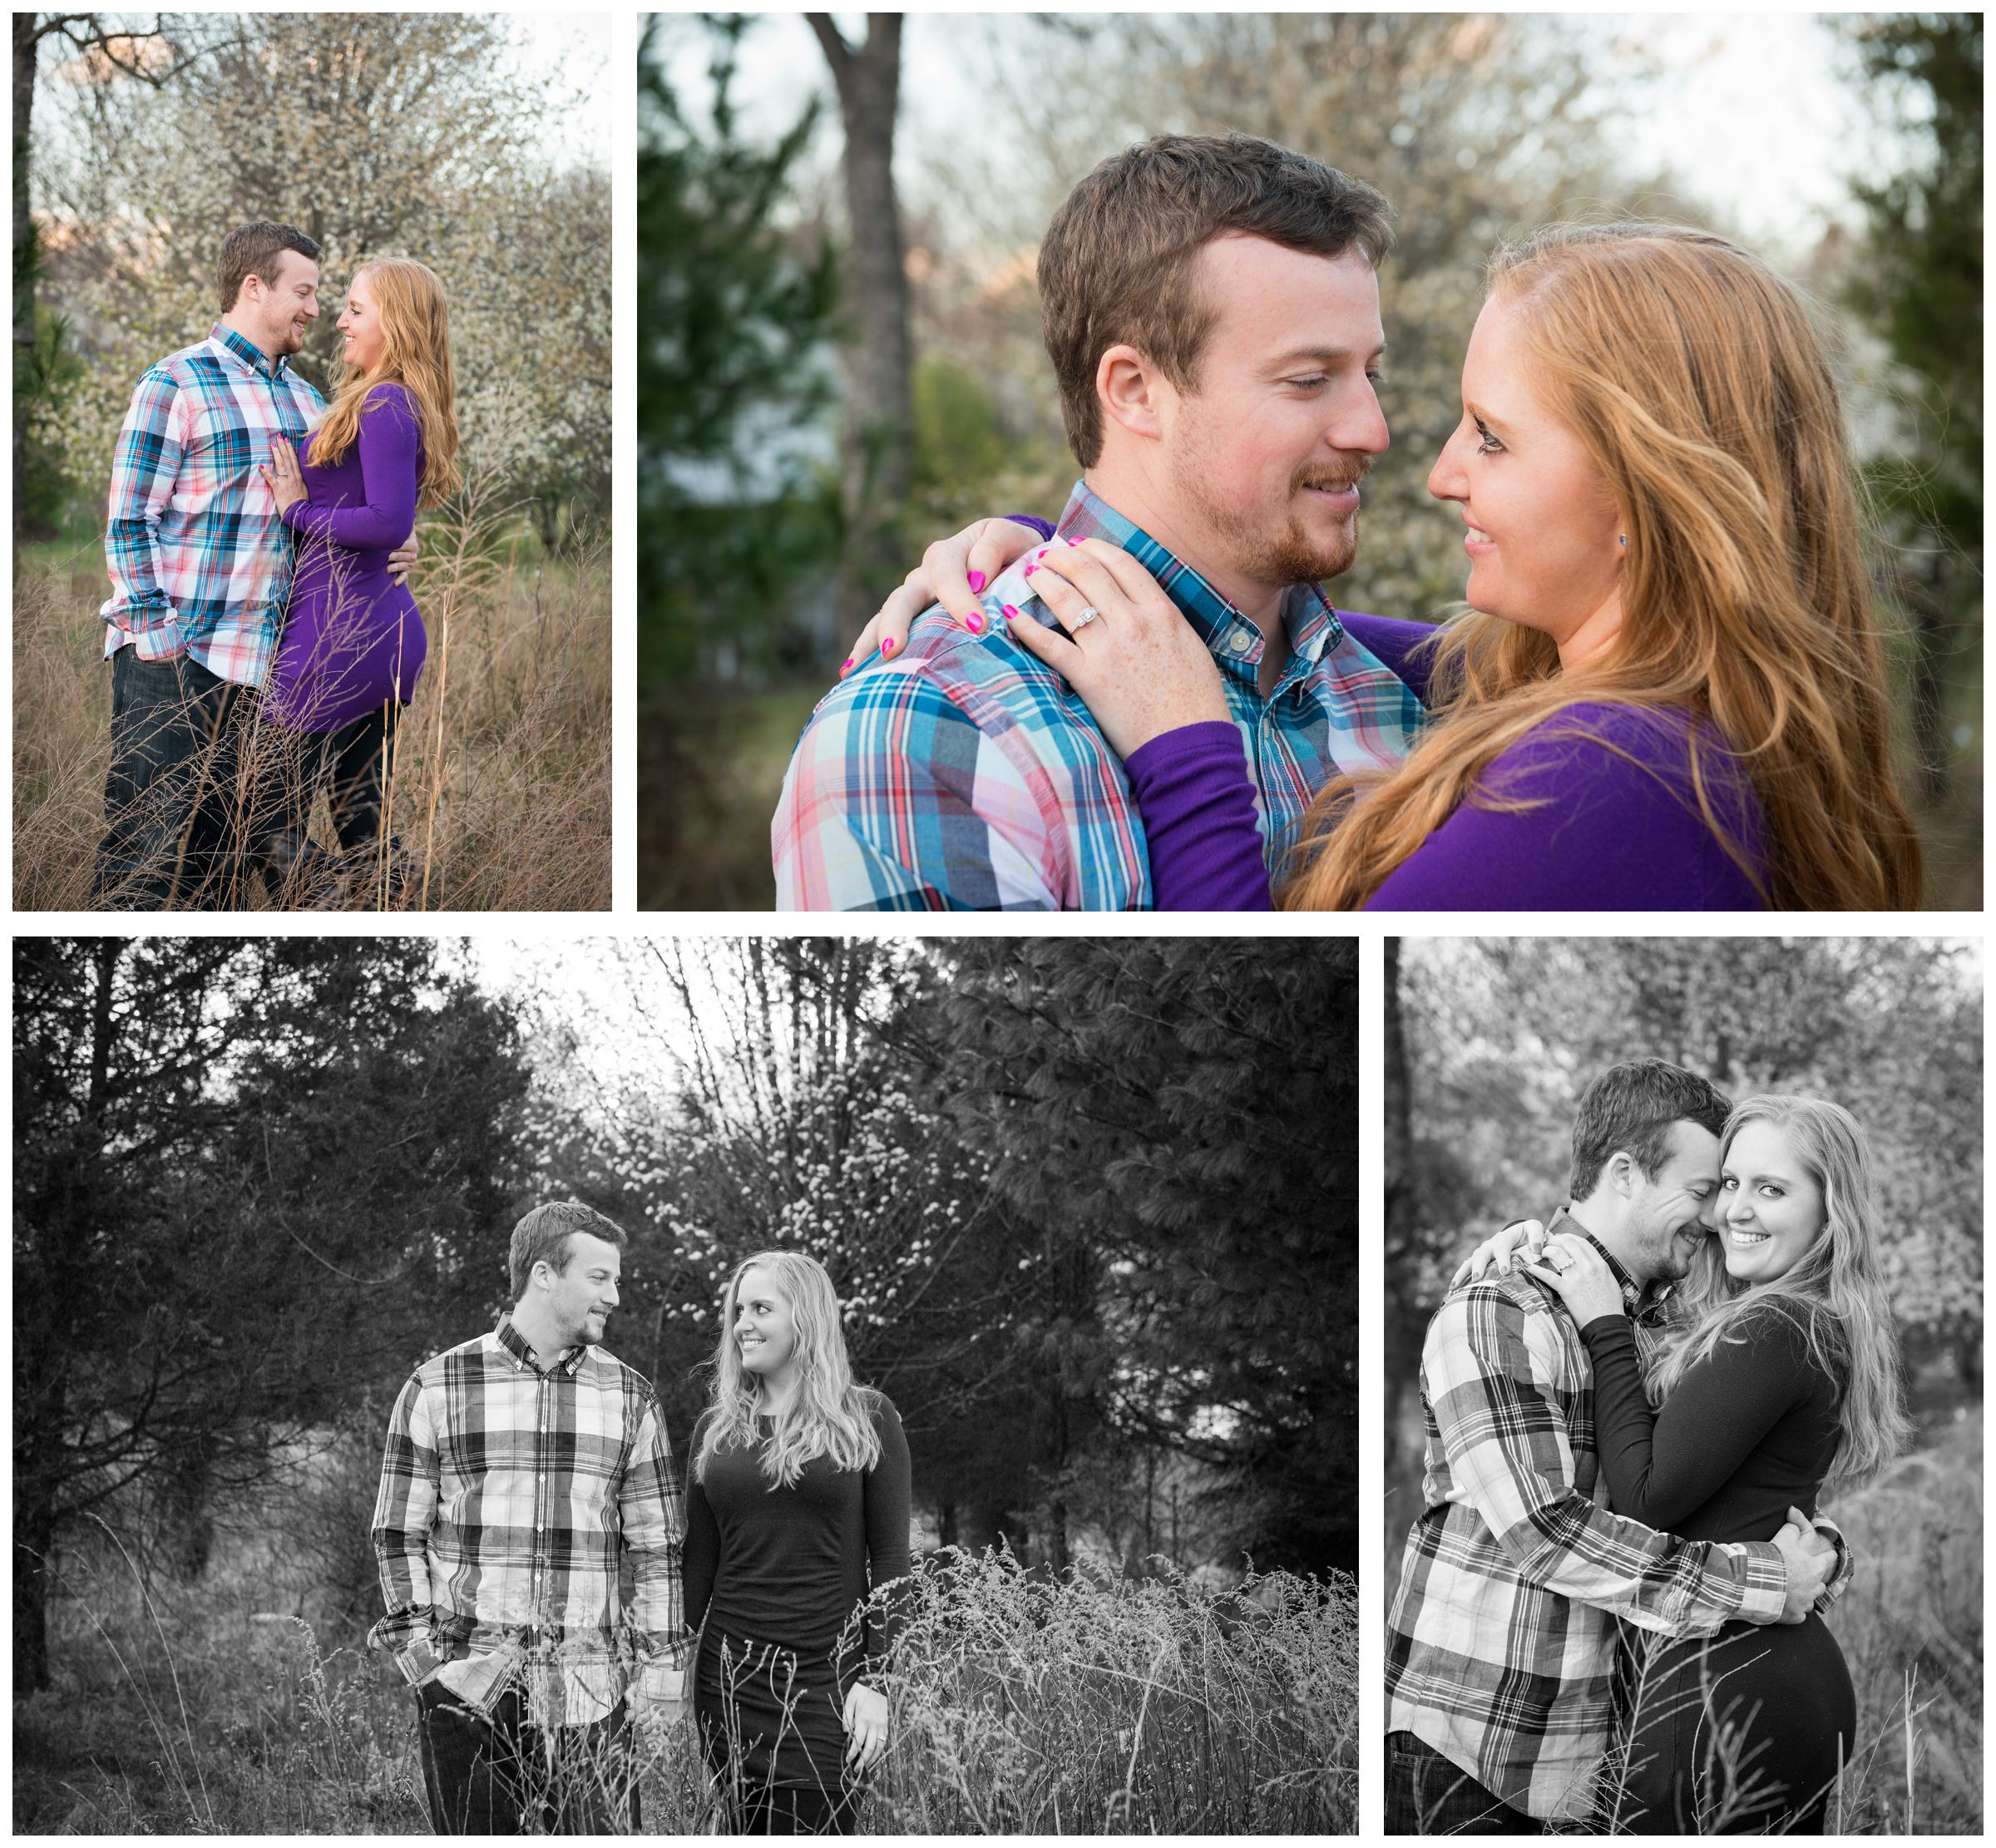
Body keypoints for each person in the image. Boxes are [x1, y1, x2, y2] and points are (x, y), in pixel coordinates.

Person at [852, 219, 1924, 911]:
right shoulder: (1621, 706)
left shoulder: (1610, 772)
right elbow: (1265, 625)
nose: (1436, 470)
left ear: (1645, 495)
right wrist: (1062, 557)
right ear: (1133, 389)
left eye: (1492, 438)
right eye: (1311, 376)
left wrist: (1187, 748)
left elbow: (1285, 1061)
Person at [772, 132, 1425, 910]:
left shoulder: (1410, 698)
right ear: (1134, 391)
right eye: (1310, 379)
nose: (1372, 430)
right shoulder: (931, 735)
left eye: (1370, 373)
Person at [1385, 1060, 1850, 1833]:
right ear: (1626, 1174)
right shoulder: (1500, 1310)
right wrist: (1766, 1581)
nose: (1715, 1217)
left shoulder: (1665, 1327)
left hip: (1603, 1750)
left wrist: (1821, 1548)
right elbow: (1548, 1533)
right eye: (1707, 1191)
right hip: (1478, 1746)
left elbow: (1718, 1491)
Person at [92, 221, 416, 910]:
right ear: (254, 287)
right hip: (175, 662)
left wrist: (394, 544)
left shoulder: (311, 404)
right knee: (141, 863)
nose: (315, 310)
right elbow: (128, 519)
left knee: (220, 869)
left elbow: (340, 519)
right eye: (303, 292)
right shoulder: (176, 382)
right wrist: (156, 639)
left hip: (264, 676)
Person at [369, 1202, 688, 1834]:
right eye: (600, 1278)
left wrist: (662, 1670)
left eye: (617, 1280)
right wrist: (428, 1665)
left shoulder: (631, 1398)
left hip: (590, 1699)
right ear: (543, 1274)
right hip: (467, 1694)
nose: (615, 1297)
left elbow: (658, 1548)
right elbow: (397, 1533)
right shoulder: (437, 1387)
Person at [684, 1252, 912, 1834]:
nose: (744, 1325)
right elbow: (700, 1563)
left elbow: (889, 1559)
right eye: (739, 1311)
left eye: (762, 1308)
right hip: (728, 1683)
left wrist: (879, 1681)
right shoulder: (717, 1429)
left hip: (827, 1685)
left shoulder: (866, 1418)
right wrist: (663, 1664)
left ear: (805, 1319)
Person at [259, 256, 461, 906]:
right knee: (356, 814)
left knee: (265, 817)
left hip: (340, 640)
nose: (339, 320)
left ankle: (330, 911)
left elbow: (387, 519)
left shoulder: (387, 401)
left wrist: (297, 510)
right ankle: (391, 905)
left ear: (394, 323)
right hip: (373, 632)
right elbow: (389, 517)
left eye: (355, 308)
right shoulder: (379, 398)